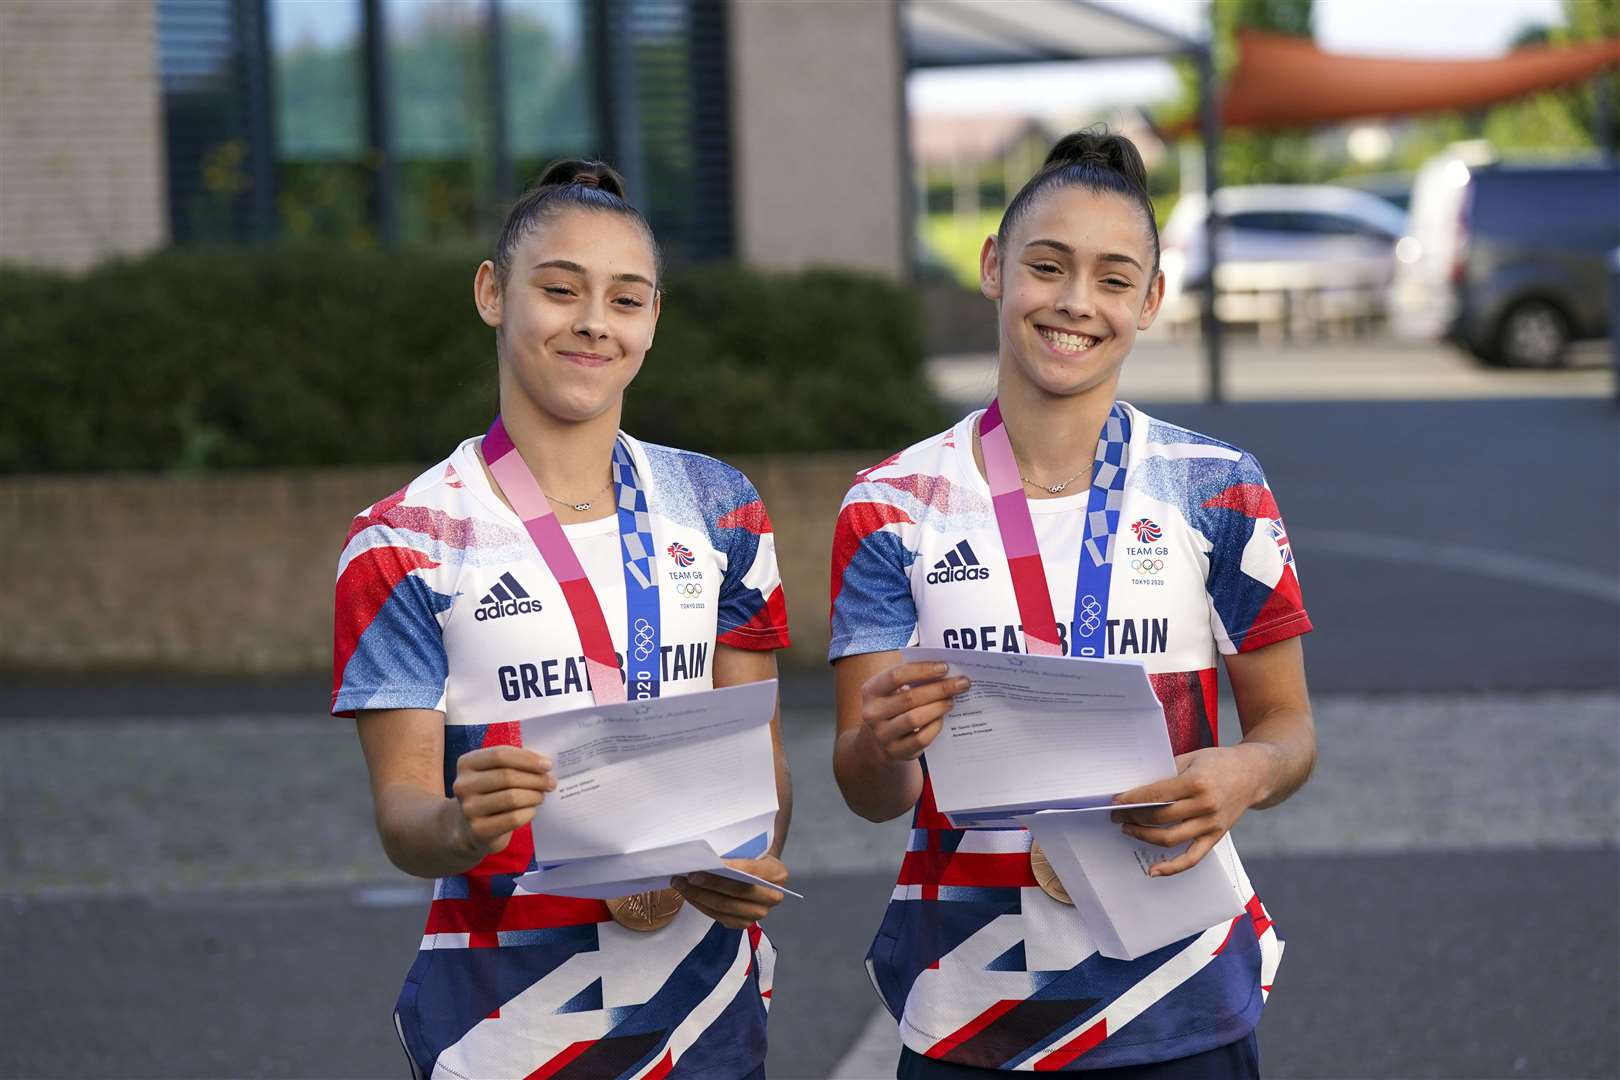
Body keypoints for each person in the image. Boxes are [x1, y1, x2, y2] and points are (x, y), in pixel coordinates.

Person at [828, 129, 1315, 1078]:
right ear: (994, 269)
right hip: (970, 1000)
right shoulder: (889, 504)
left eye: (1112, 277)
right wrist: (882, 744)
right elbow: (870, 793)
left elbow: (1291, 726)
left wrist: (1248, 773)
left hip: (1180, 991)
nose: (1075, 303)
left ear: (1151, 300)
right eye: (1047, 267)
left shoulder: (1218, 489)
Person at [333, 160, 793, 1080]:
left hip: (705, 1018)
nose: (593, 320)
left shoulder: (720, 507)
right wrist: (461, 827)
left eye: (626, 298)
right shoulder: (403, 538)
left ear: (653, 319)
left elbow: (761, 775)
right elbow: (403, 812)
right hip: (501, 1027)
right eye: (559, 289)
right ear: (492, 293)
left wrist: (750, 862)